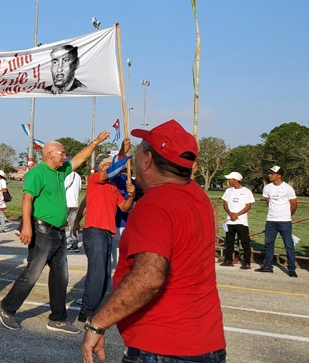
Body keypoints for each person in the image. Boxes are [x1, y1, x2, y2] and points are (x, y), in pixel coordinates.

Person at [81, 120, 225, 363]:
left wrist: (98, 323)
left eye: (138, 152)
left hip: (162, 345)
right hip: (207, 341)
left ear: (147, 160)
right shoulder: (197, 195)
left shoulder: (155, 204)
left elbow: (149, 278)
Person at [0, 132, 108, 335]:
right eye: (62, 153)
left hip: (58, 233)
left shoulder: (59, 171)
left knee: (60, 277)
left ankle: (58, 318)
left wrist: (96, 142)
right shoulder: (37, 172)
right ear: (49, 155)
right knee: (32, 273)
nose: (65, 157)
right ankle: (6, 308)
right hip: (42, 230)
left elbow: (80, 159)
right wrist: (26, 226)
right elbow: (27, 199)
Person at [70, 142, 135, 324]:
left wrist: (131, 195)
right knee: (97, 274)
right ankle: (87, 312)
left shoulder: (113, 187)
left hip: (107, 232)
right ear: (100, 167)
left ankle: (93, 308)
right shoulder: (95, 179)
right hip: (95, 231)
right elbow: (115, 168)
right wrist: (123, 152)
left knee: (105, 275)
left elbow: (124, 206)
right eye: (106, 165)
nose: (109, 167)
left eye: (109, 164)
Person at [256, 165, 298, 277]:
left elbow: (293, 205)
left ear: (279, 175)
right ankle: (268, 266)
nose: (269, 175)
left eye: (272, 173)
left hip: (284, 221)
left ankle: (291, 268)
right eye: (269, 173)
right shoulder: (267, 188)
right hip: (271, 220)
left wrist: (287, 215)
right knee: (269, 243)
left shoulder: (288, 188)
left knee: (288, 245)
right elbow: (268, 202)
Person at [220, 171, 254, 269]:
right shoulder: (228, 191)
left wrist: (237, 214)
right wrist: (230, 214)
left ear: (236, 180)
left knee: (245, 242)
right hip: (230, 221)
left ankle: (247, 262)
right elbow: (225, 204)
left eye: (230, 179)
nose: (228, 181)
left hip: (241, 221)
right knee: (229, 241)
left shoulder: (246, 191)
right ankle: (228, 259)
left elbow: (248, 206)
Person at [64, 168, 83, 252]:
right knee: (74, 225)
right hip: (74, 204)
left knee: (60, 225)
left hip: (66, 203)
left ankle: (59, 244)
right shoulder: (78, 176)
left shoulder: (67, 175)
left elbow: (63, 187)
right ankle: (75, 245)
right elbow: (79, 189)